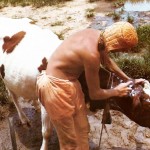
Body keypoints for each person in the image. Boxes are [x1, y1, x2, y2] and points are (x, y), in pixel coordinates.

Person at [36, 21, 145, 150]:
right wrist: (117, 91)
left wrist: (129, 79)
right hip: (55, 88)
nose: (122, 52)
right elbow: (95, 94)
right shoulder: (92, 55)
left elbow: (107, 61)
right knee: (69, 141)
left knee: (82, 129)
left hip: (71, 83)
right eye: (122, 49)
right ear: (115, 43)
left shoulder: (98, 36)